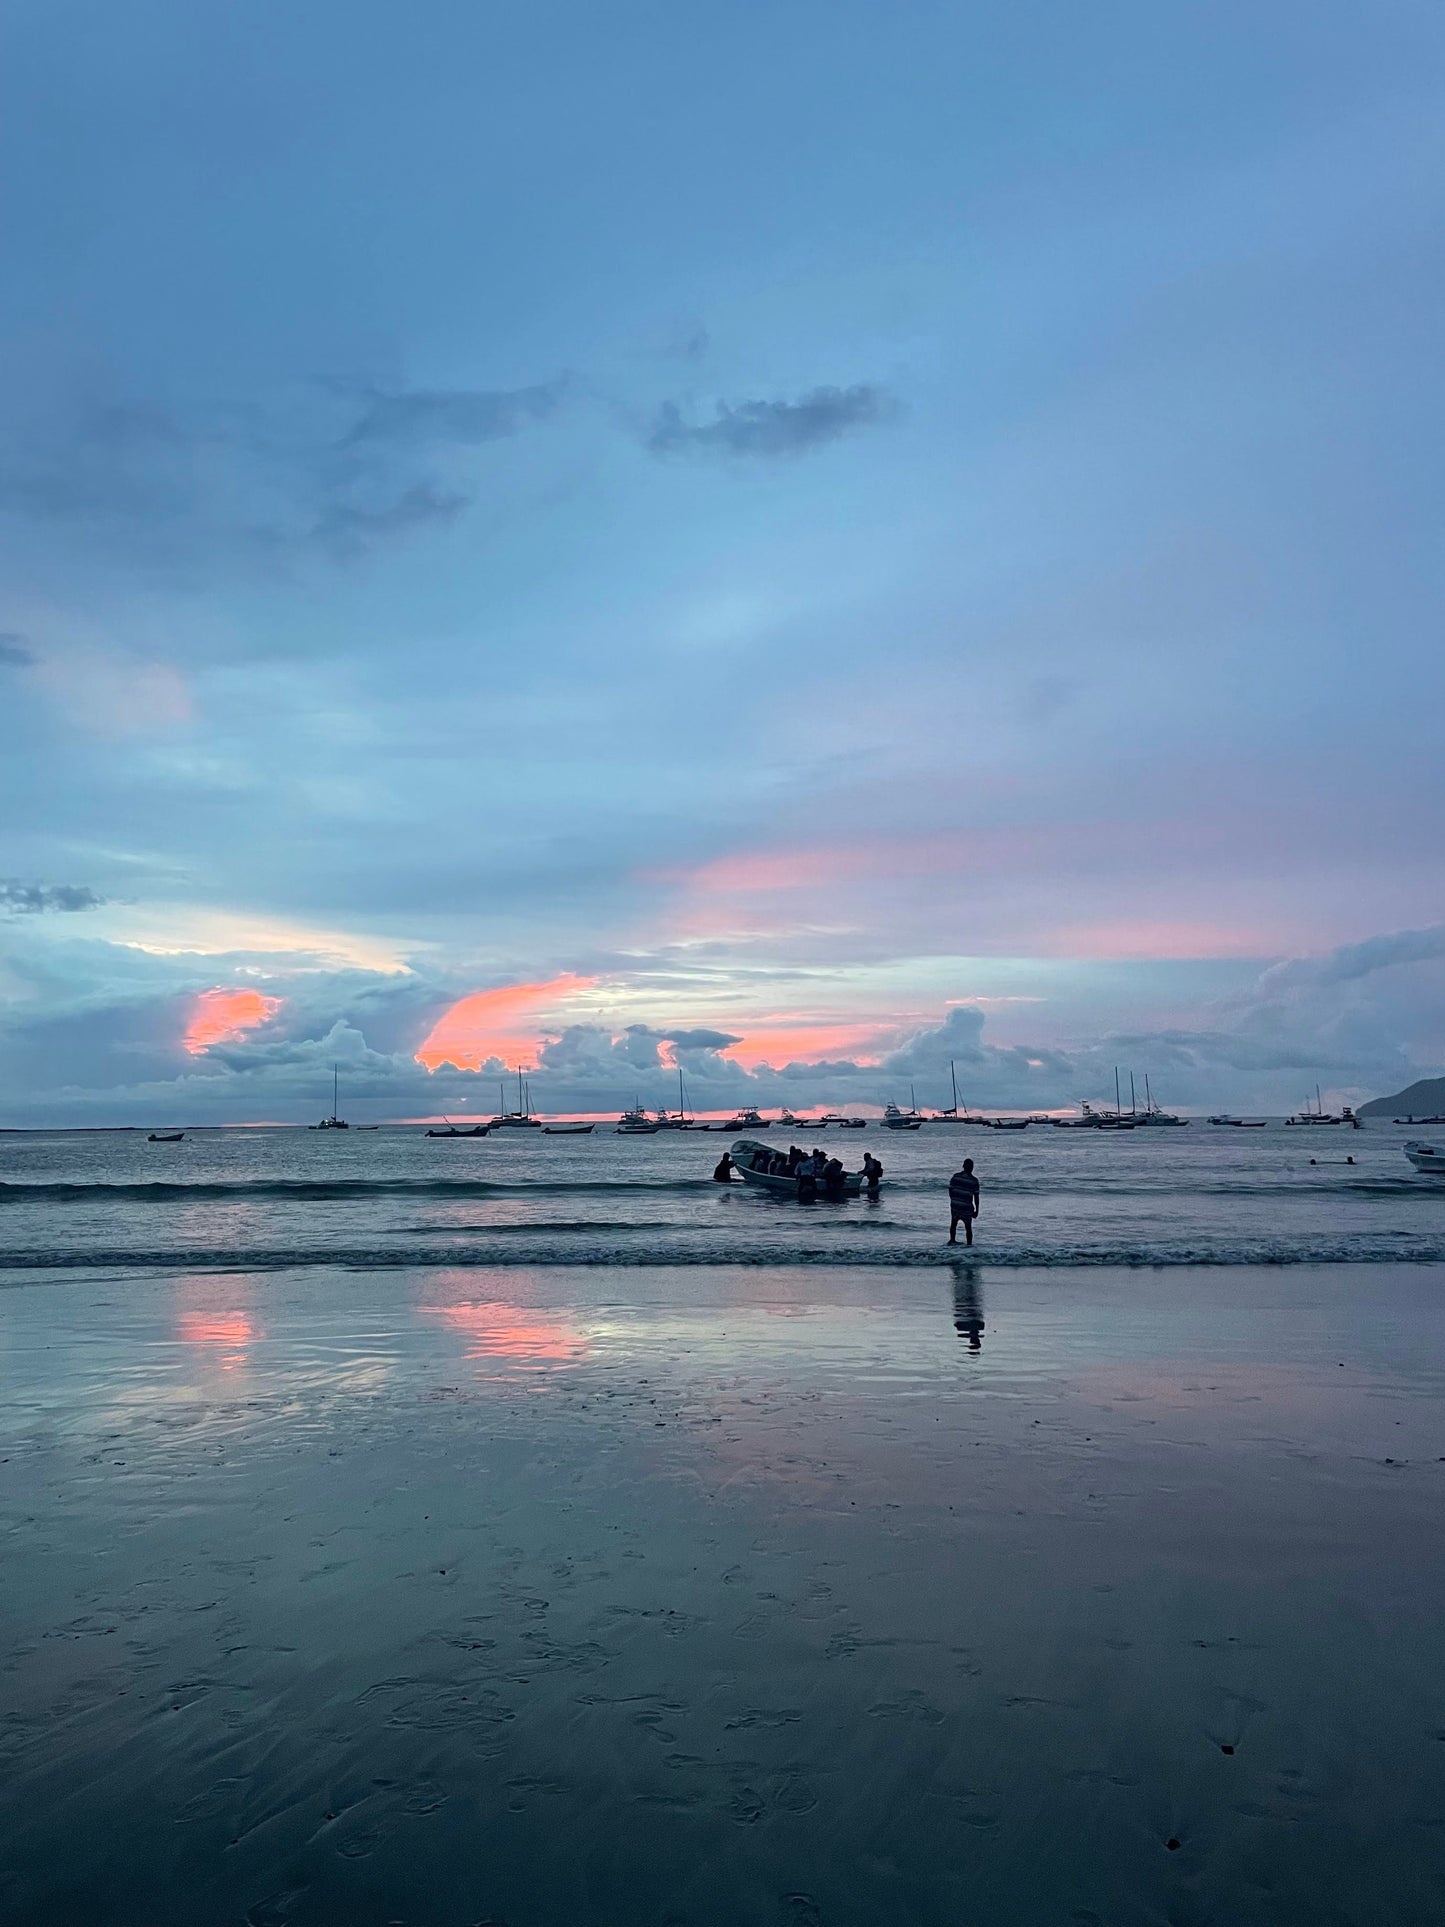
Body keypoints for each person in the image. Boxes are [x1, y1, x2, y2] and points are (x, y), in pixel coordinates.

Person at [948, 1157, 980, 1246]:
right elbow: (976, 1197)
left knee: (953, 1224)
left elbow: (950, 1190)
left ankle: (952, 1241)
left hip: (956, 1204)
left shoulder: (956, 1176)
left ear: (963, 1166)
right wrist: (977, 1210)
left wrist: (954, 1200)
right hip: (966, 1206)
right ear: (972, 1168)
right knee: (968, 1228)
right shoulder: (974, 1180)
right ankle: (969, 1245)